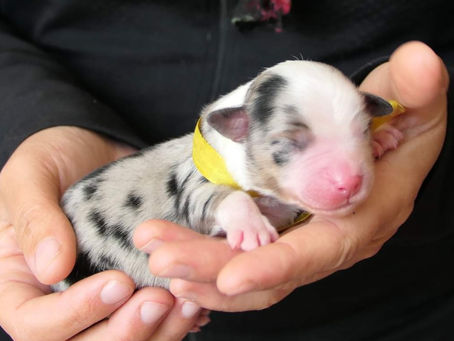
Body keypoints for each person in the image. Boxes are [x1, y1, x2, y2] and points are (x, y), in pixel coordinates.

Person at [0, 1, 453, 340]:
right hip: (102, 252)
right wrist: (32, 122)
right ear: (238, 131)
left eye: (359, 129)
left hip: (400, 306)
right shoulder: (212, 164)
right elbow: (204, 195)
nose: (346, 177)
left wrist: (415, 138)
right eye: (290, 145)